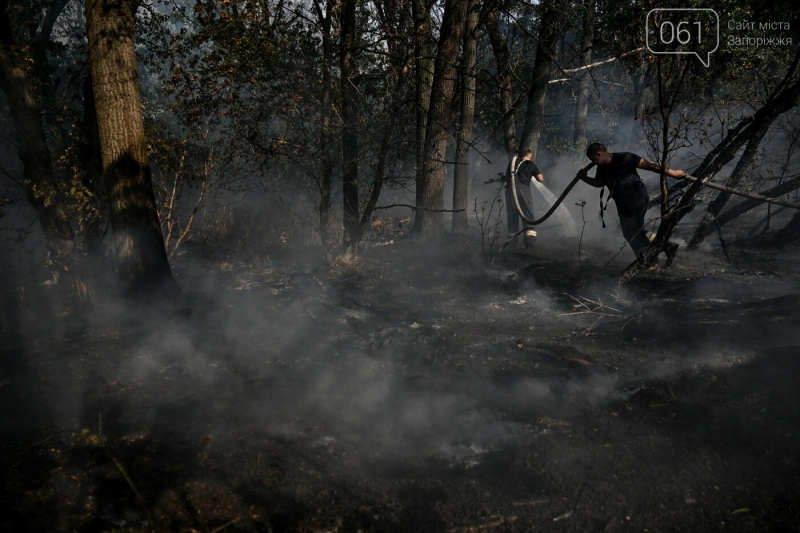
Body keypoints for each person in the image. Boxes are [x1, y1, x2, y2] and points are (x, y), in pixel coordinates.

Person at [578, 143, 686, 267]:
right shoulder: (602, 167)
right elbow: (599, 183)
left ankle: (650, 262)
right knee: (628, 231)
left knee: (634, 231)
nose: (593, 162)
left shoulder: (625, 158)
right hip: (621, 202)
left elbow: (651, 166)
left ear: (599, 154)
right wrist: (584, 178)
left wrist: (673, 173)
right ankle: (666, 246)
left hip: (636, 197)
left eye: (593, 159)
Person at [505, 149, 544, 250]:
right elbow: (540, 179)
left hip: (510, 191)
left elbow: (507, 177)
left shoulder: (511, 163)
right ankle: (529, 243)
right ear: (530, 156)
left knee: (512, 216)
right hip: (523, 190)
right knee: (528, 214)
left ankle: (512, 243)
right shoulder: (530, 164)